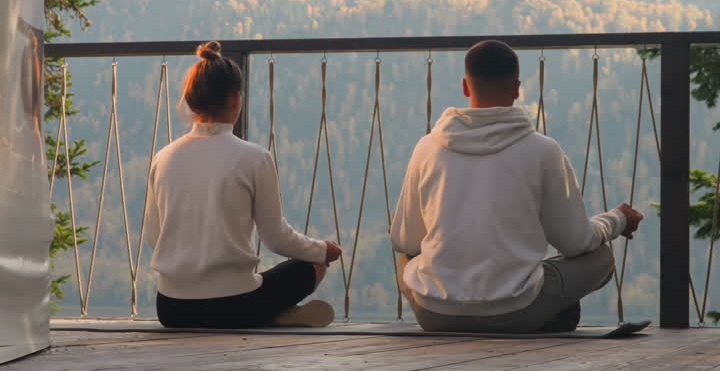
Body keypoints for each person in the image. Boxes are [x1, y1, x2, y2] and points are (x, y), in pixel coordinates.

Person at [390, 39, 643, 334]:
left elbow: (405, 241)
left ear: (465, 86)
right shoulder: (543, 151)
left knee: (405, 259)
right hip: (517, 310)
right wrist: (618, 219)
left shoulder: (427, 148)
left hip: (435, 314)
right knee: (600, 257)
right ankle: (550, 313)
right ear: (517, 87)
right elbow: (576, 242)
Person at [145, 41, 341, 329]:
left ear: (191, 100)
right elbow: (276, 238)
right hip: (234, 306)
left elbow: (154, 236)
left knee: (270, 283)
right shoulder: (255, 158)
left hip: (171, 308)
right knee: (311, 267)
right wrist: (323, 250)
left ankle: (274, 314)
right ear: (236, 100)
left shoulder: (163, 158)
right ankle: (274, 313)